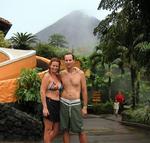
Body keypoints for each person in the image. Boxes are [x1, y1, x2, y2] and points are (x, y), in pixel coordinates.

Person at [60, 52, 88, 143]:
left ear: (73, 61)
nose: (68, 62)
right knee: (65, 129)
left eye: (70, 60)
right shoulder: (61, 74)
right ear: (64, 61)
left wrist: (85, 107)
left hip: (76, 103)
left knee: (80, 129)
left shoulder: (80, 73)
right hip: (64, 102)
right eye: (66, 60)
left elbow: (84, 90)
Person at [40, 58, 62, 143]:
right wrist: (45, 107)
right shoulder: (47, 76)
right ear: (50, 66)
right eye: (53, 65)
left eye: (57, 66)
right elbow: (42, 91)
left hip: (57, 104)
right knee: (48, 129)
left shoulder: (57, 76)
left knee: (56, 130)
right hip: (49, 103)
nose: (55, 67)